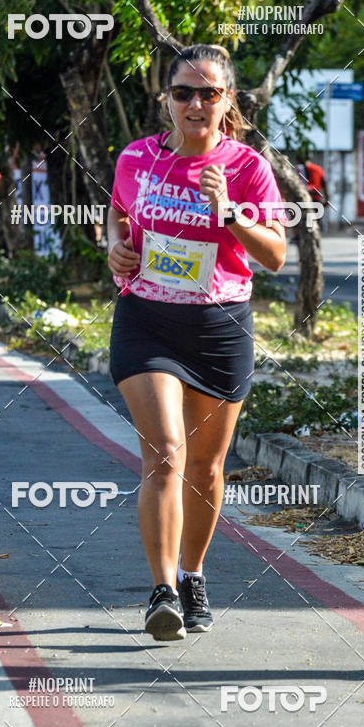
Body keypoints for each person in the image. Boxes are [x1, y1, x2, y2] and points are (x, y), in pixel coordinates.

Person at [107, 44, 287, 641]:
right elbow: (117, 216)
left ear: (227, 100)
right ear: (167, 100)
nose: (195, 103)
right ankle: (162, 593)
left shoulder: (246, 167)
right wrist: (115, 247)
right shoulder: (136, 159)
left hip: (219, 327)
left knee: (206, 469)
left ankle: (193, 575)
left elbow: (276, 257)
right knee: (164, 453)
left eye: (209, 92)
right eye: (183, 92)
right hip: (147, 320)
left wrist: (229, 211)